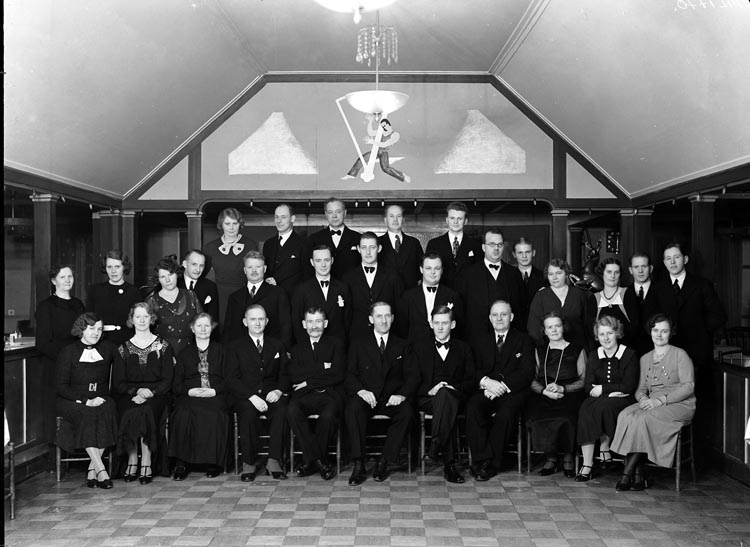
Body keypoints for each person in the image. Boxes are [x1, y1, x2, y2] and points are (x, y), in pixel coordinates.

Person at [651, 242, 726, 468]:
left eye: (676, 257)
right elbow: (650, 319)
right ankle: (665, 458)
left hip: (697, 356)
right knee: (666, 403)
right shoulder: (658, 287)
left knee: (698, 405)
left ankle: (697, 460)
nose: (672, 262)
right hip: (667, 358)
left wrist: (700, 331)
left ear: (685, 259)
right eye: (668, 258)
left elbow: (718, 316)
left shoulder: (701, 285)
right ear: (664, 262)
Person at [610, 314, 696, 491]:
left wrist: (661, 401)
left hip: (679, 404)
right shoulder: (645, 358)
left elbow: (689, 387)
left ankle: (627, 473)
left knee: (643, 419)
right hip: (653, 401)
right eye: (656, 330)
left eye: (664, 331)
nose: (659, 335)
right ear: (650, 332)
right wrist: (643, 399)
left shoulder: (680, 354)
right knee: (626, 415)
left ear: (671, 333)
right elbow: (640, 389)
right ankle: (639, 475)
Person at [345, 302, 415, 485]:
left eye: (387, 316)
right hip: (367, 397)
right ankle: (359, 464)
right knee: (352, 409)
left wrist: (401, 395)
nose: (384, 320)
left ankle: (384, 461)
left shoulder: (403, 344)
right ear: (371, 319)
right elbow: (349, 374)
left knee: (407, 412)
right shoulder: (359, 343)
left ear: (392, 318)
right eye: (379, 316)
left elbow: (413, 376)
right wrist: (361, 391)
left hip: (391, 398)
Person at [465, 300, 535, 481]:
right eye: (495, 315)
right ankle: (481, 459)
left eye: (503, 314)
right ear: (490, 318)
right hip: (486, 389)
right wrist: (487, 382)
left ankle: (491, 464)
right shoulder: (480, 340)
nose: (499, 318)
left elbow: (527, 372)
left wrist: (501, 386)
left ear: (511, 317)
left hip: (513, 392)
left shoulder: (524, 340)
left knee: (506, 413)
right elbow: (472, 369)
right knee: (473, 407)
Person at [410, 304, 474, 484]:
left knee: (446, 398)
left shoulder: (464, 348)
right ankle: (449, 465)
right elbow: (412, 379)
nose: (440, 327)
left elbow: (471, 380)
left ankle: (436, 446)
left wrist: (452, 388)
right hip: (428, 398)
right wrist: (430, 390)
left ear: (452, 324)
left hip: (456, 397)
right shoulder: (419, 347)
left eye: (444, 323)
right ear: (431, 324)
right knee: (445, 406)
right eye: (436, 323)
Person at [226, 304, 290, 482]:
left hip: (271, 393)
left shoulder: (277, 344)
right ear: (245, 322)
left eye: (261, 319)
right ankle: (248, 463)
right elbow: (231, 379)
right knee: (247, 413)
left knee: (282, 410)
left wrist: (278, 390)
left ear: (267, 321)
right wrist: (251, 396)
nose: (257, 323)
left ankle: (273, 461)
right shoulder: (235, 346)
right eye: (253, 319)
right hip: (246, 395)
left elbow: (285, 374)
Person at [112, 302, 174, 484]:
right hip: (129, 394)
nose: (141, 320)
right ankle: (132, 459)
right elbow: (118, 382)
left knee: (146, 410)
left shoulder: (163, 345)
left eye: (145, 316)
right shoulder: (123, 348)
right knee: (130, 411)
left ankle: (146, 461)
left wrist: (150, 392)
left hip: (158, 394)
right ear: (131, 319)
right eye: (137, 316)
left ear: (151, 319)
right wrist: (137, 391)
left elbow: (168, 378)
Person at [55, 313, 118, 489]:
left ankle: (92, 469)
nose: (96, 333)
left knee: (109, 408)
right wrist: (85, 400)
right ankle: (101, 470)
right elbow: (61, 387)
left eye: (99, 329)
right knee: (89, 413)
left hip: (100, 397)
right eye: (91, 328)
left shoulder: (108, 349)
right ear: (81, 329)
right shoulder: (68, 352)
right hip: (72, 400)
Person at [575, 316, 639, 482]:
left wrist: (603, 389)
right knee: (586, 407)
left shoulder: (629, 355)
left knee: (604, 406)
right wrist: (608, 392)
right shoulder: (593, 355)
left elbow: (629, 386)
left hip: (624, 400)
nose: (606, 338)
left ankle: (605, 447)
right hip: (603, 398)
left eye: (610, 333)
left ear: (617, 333)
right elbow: (588, 386)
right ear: (597, 336)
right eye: (602, 334)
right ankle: (587, 463)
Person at [287, 307, 346, 480]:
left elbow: (338, 373)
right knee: (291, 410)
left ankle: (309, 461)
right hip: (304, 396)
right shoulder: (296, 348)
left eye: (318, 321)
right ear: (304, 324)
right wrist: (323, 367)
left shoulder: (336, 344)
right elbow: (294, 375)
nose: (314, 326)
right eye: (310, 322)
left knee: (328, 416)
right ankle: (320, 461)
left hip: (329, 395)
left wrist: (308, 381)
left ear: (325, 323)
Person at [526, 311, 587, 477]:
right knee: (538, 415)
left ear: (563, 327)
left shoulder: (577, 350)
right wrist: (544, 391)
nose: (554, 330)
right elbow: (531, 379)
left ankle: (568, 457)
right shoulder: (539, 351)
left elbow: (583, 380)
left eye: (557, 326)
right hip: (544, 394)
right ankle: (550, 458)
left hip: (570, 394)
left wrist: (563, 389)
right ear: (544, 331)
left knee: (567, 417)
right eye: (549, 327)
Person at [169, 313, 229, 480]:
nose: (203, 329)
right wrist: (189, 391)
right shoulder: (184, 353)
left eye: (207, 325)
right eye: (199, 326)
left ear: (212, 328)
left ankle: (213, 462)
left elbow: (230, 378)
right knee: (182, 413)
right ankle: (181, 463)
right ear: (192, 328)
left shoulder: (222, 351)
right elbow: (176, 384)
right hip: (190, 394)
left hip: (216, 393)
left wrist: (214, 391)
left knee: (215, 413)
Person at [35, 265, 86, 442]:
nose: (67, 280)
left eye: (70, 276)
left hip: (79, 366)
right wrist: (67, 359)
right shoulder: (46, 307)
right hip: (56, 366)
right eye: (62, 277)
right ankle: (56, 450)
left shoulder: (78, 304)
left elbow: (84, 334)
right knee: (56, 413)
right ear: (53, 280)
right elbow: (42, 344)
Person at [456, 229, 527, 340]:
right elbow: (461, 311)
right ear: (483, 247)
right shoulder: (468, 274)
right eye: (492, 244)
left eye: (499, 244)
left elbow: (521, 309)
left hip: (509, 340)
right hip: (476, 339)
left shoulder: (514, 274)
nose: (496, 248)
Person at [342, 232, 403, 341]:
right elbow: (346, 313)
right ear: (358, 249)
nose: (368, 252)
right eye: (364, 248)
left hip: (388, 336)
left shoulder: (393, 276)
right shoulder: (348, 278)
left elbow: (399, 309)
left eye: (372, 247)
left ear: (379, 248)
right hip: (357, 337)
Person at [223, 251, 292, 346]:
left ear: (264, 269)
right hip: (240, 351)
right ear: (245, 270)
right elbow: (228, 330)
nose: (254, 270)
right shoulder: (234, 297)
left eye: (258, 267)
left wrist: (284, 350)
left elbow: (286, 326)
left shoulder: (278, 293)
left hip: (271, 350)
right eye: (250, 267)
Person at [527, 259, 596, 352]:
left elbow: (588, 326)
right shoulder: (540, 296)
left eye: (559, 273)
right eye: (551, 274)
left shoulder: (579, 295)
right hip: (550, 350)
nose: (554, 277)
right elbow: (533, 328)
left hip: (578, 349)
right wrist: (543, 349)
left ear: (567, 274)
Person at [203, 208, 258, 322]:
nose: (231, 228)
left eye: (235, 223)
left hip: (244, 294)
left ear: (240, 224)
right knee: (222, 325)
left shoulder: (250, 245)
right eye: (227, 224)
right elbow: (201, 274)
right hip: (219, 296)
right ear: (221, 225)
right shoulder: (210, 247)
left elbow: (257, 271)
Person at [395, 253, 463, 343]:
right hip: (414, 348)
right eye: (428, 268)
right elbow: (402, 329)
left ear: (442, 270)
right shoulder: (407, 297)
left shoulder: (453, 296)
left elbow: (459, 330)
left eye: (437, 268)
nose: (433, 272)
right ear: (421, 269)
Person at [291, 245, 352, 344]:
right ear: (312, 262)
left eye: (326, 260)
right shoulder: (301, 290)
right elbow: (297, 322)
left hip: (338, 346)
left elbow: (347, 320)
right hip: (311, 346)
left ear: (332, 260)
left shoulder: (343, 288)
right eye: (318, 261)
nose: (323, 265)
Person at [145, 256, 202, 355]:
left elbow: (202, 325)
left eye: (170, 274)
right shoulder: (151, 301)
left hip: (191, 354)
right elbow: (145, 334)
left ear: (176, 274)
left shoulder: (191, 296)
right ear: (158, 279)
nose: (168, 280)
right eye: (163, 277)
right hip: (163, 355)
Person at [87, 250, 142, 346]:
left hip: (127, 343)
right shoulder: (95, 291)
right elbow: (88, 320)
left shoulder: (134, 292)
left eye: (117, 267)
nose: (113, 271)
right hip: (101, 342)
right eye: (109, 267)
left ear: (124, 267)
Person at [425, 201, 483, 288]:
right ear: (447, 220)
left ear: (465, 221)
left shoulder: (476, 245)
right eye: (452, 218)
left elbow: (479, 274)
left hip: (467, 294)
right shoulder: (434, 244)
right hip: (441, 293)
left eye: (459, 218)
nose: (455, 222)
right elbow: (428, 273)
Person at [262, 203, 313, 298]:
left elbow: (308, 276)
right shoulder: (268, 244)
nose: (279, 221)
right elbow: (264, 270)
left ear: (292, 219)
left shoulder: (304, 244)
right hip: (271, 298)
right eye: (276, 217)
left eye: (283, 217)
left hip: (294, 299)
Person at [345, 115, 410, 183]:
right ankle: (351, 175)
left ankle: (402, 176)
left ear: (389, 124)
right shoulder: (382, 132)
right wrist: (370, 121)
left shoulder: (395, 134)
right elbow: (370, 132)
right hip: (376, 150)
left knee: (385, 168)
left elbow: (385, 144)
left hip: (384, 152)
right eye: (383, 126)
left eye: (385, 125)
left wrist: (372, 142)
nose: (384, 127)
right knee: (362, 159)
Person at [309, 198, 361, 279]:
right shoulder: (314, 238)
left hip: (352, 285)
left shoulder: (358, 238)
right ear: (326, 214)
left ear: (345, 213)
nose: (334, 216)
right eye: (330, 212)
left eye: (338, 212)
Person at [593, 258, 638, 347]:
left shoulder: (628, 294)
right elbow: (592, 331)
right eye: (609, 272)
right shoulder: (594, 298)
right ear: (602, 274)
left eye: (616, 272)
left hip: (627, 348)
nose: (613, 276)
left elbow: (635, 327)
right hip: (602, 350)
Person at [377, 203, 424, 290]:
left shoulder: (414, 243)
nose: (395, 220)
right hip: (385, 293)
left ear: (403, 220)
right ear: (385, 220)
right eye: (391, 216)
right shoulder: (377, 243)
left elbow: (422, 270)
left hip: (410, 293)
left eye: (398, 216)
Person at [622, 252, 658, 357]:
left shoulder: (662, 291)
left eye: (644, 266)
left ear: (650, 268)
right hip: (630, 353)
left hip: (656, 350)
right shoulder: (623, 293)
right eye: (636, 267)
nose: (640, 271)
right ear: (630, 270)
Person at [178, 249, 220, 335]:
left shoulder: (210, 286)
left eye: (201, 265)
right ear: (185, 264)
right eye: (194, 264)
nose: (198, 269)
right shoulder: (174, 284)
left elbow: (213, 318)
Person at [513, 238, 547, 327]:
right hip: (514, 327)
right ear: (514, 254)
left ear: (533, 253)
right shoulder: (508, 276)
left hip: (538, 326)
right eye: (520, 253)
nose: (524, 256)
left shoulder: (544, 277)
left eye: (527, 252)